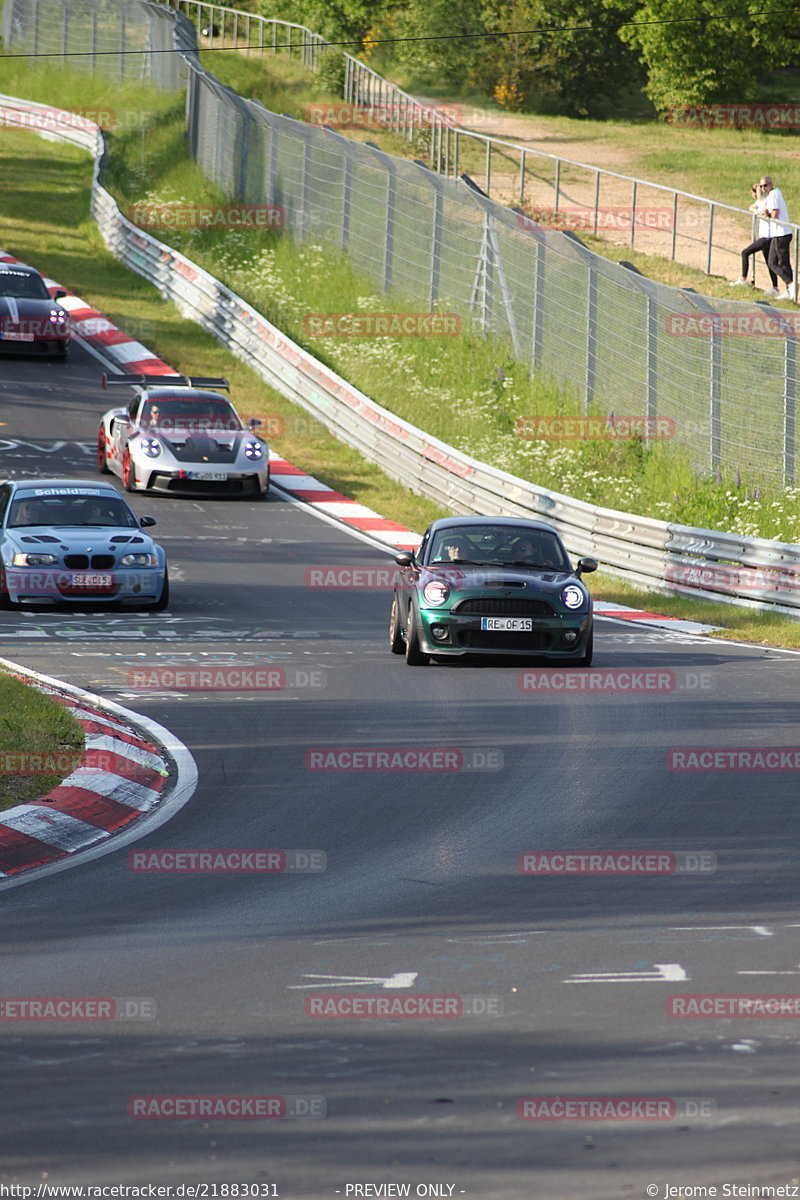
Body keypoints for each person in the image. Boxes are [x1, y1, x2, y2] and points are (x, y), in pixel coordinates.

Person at [730, 181, 778, 295]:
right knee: (769, 263)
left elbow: (763, 207)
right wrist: (756, 211)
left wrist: (761, 211)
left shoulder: (765, 201)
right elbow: (751, 207)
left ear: (755, 193)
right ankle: (775, 288)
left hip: (766, 238)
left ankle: (743, 279)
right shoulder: (759, 202)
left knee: (745, 253)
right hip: (765, 237)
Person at [762, 176, 795, 301]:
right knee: (774, 262)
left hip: (781, 233)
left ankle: (791, 285)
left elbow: (774, 213)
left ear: (771, 184)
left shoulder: (773, 194)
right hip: (779, 233)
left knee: (778, 262)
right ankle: (789, 288)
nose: (763, 188)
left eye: (765, 185)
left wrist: (766, 214)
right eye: (761, 186)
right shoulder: (776, 193)